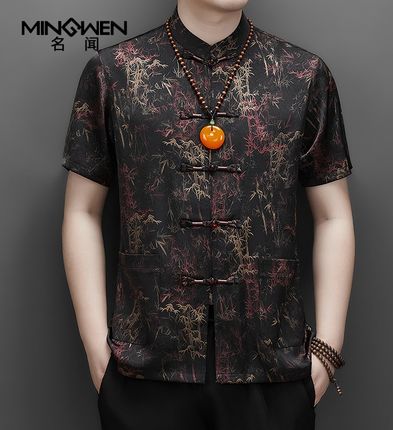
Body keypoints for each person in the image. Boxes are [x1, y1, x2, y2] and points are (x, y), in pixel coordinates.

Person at [61, 0, 355, 429]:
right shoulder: (115, 72)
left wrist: (327, 349)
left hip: (271, 367)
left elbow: (333, 216)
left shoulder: (302, 74)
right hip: (144, 366)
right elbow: (82, 211)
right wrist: (96, 350)